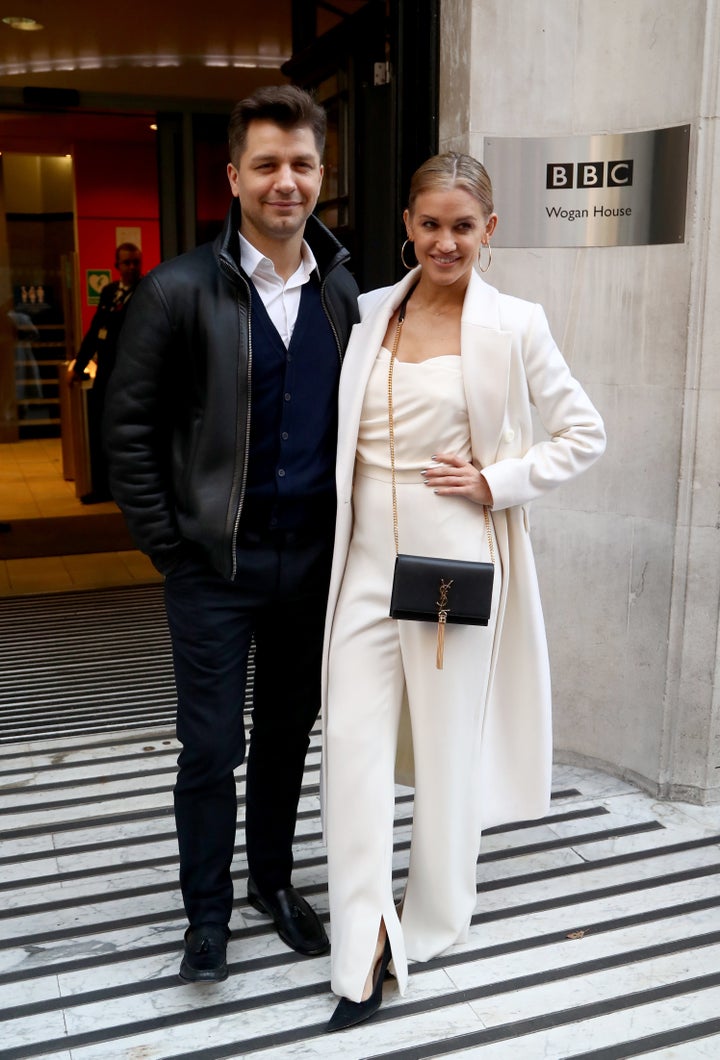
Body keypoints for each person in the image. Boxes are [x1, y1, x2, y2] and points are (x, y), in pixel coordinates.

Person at [321, 152, 606, 1032]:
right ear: (406, 224)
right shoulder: (369, 312)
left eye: (463, 225)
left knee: (447, 753)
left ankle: (433, 918)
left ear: (491, 229)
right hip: (363, 561)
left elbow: (583, 432)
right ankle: (361, 942)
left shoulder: (514, 323)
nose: (446, 241)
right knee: (352, 757)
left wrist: (497, 480)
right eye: (430, 223)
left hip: (454, 563)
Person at [104, 86, 359, 983]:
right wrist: (171, 548)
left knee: (290, 733)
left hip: (312, 566)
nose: (284, 182)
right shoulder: (177, 290)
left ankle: (273, 885)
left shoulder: (344, 292)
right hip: (212, 567)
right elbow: (126, 433)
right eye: (266, 165)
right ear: (233, 177)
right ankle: (205, 913)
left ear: (321, 174)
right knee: (213, 745)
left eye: (300, 164)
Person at [69, 243, 143, 503]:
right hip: (106, 375)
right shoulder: (109, 292)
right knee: (103, 433)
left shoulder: (146, 292)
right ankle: (103, 488)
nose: (132, 268)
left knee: (128, 437)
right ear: (117, 266)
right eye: (127, 263)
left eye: (136, 262)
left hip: (132, 379)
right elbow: (95, 331)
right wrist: (79, 366)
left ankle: (129, 491)